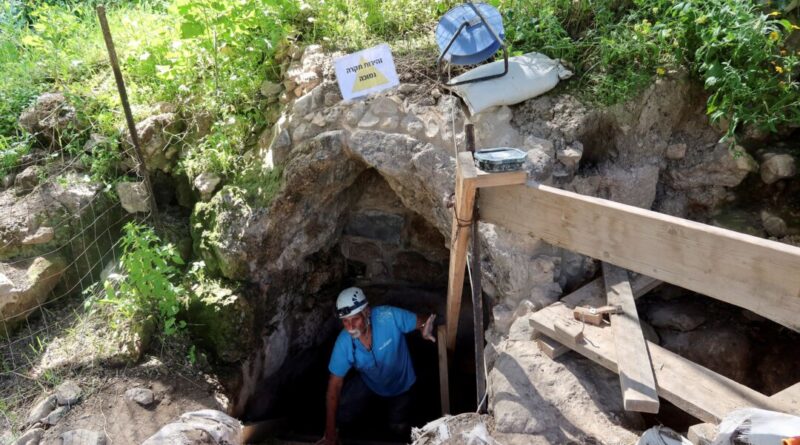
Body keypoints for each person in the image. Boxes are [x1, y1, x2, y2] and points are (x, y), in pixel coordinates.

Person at [321, 287, 436, 445]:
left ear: (367, 311)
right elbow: (334, 386)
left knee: (398, 428)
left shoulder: (388, 317)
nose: (350, 327)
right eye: (345, 321)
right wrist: (329, 432)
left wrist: (425, 327)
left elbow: (422, 320)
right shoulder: (344, 342)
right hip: (370, 382)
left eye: (355, 319)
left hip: (401, 384)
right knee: (343, 410)